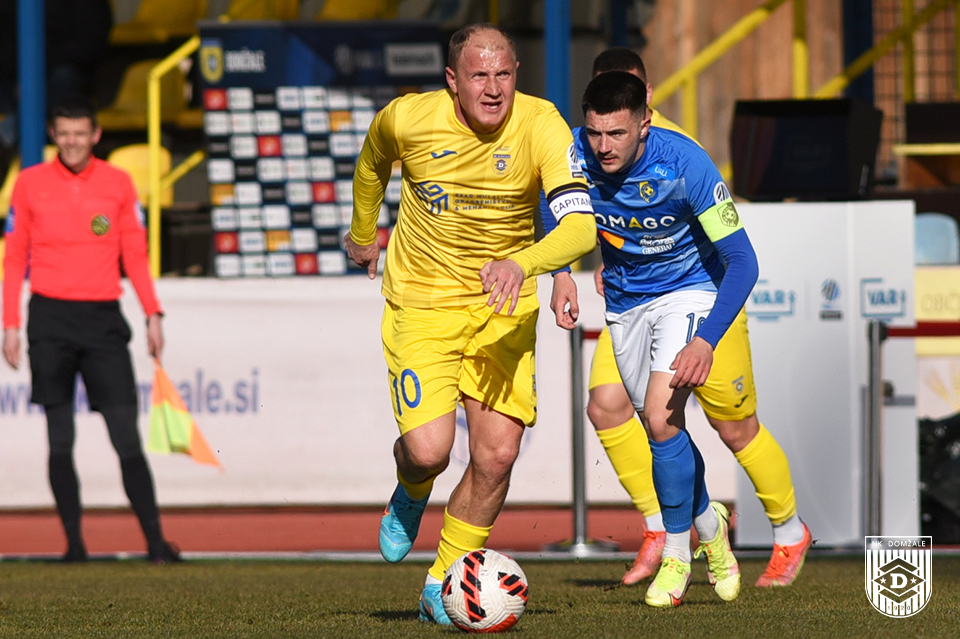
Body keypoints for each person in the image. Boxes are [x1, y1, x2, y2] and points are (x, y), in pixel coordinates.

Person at [345, 23, 596, 625]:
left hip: (502, 307)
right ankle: (412, 487)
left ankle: (442, 582)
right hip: (423, 304)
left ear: (517, 74)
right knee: (430, 451)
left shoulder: (542, 124)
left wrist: (529, 265)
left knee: (498, 454)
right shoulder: (407, 119)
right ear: (452, 81)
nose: (493, 88)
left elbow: (581, 227)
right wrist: (362, 233)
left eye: (503, 73)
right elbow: (372, 162)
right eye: (479, 75)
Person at [550, 48, 812, 589]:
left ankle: (784, 532)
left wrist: (707, 337)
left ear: (645, 107)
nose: (605, 143)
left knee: (731, 426)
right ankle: (682, 521)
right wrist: (567, 269)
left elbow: (741, 258)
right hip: (629, 301)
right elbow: (561, 205)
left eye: (617, 130)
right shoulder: (578, 151)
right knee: (616, 410)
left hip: (701, 297)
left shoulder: (682, 155)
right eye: (596, 129)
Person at [2, 98, 180, 564]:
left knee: (126, 436)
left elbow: (134, 253)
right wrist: (10, 324)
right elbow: (15, 256)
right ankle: (74, 547)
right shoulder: (30, 183)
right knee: (60, 438)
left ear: (96, 135)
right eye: (64, 133)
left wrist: (152, 313)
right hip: (50, 320)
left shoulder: (118, 183)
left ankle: (156, 544)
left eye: (80, 133)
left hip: (103, 321)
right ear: (53, 135)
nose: (72, 142)